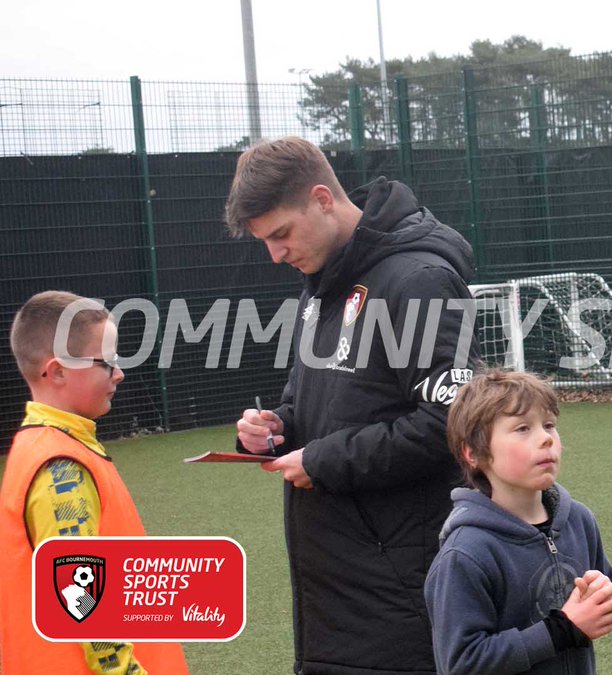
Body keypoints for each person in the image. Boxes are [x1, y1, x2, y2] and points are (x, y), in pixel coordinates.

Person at [224, 136, 480, 674]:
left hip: (400, 583)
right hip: (334, 580)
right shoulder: (322, 280)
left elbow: (451, 423)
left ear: (322, 198)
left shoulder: (418, 280)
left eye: (281, 234)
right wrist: (276, 429)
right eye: (264, 242)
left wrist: (322, 460)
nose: (275, 254)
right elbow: (310, 402)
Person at [0, 291, 189, 674]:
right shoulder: (60, 469)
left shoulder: (44, 445)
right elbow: (79, 599)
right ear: (57, 372)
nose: (118, 373)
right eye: (107, 363)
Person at [425, 371, 612, 675]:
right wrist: (562, 629)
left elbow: (609, 595)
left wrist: (605, 601)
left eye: (549, 425)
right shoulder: (466, 553)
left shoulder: (579, 521)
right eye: (522, 428)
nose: (546, 438)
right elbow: (462, 663)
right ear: (473, 453)